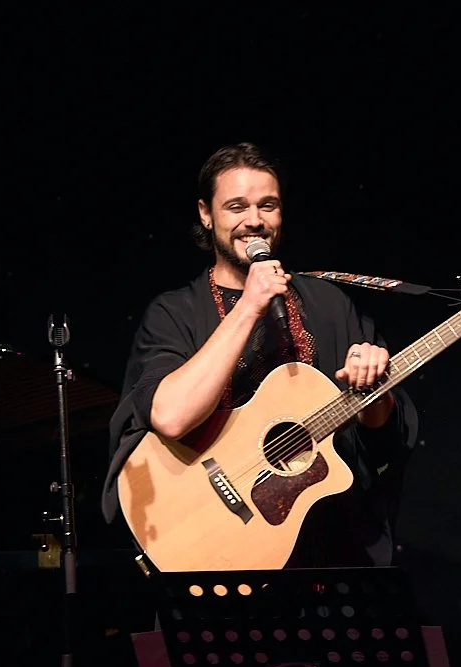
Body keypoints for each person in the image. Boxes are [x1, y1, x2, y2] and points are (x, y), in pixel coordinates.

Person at [101, 142, 418, 568]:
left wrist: (375, 393)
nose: (254, 220)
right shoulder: (174, 313)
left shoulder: (328, 304)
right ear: (206, 213)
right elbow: (171, 417)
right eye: (236, 206)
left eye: (267, 205)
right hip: (215, 544)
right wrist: (249, 305)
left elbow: (380, 443)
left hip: (328, 549)